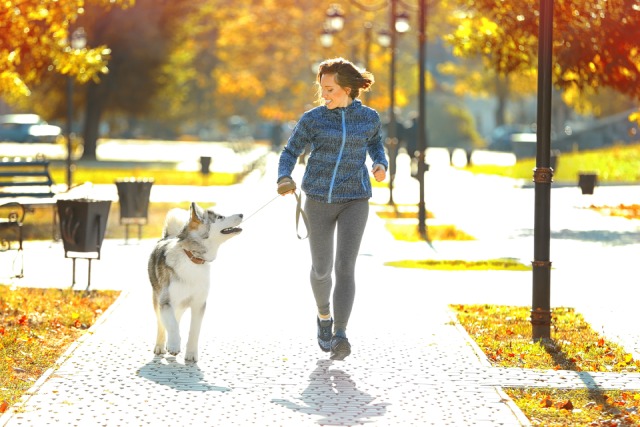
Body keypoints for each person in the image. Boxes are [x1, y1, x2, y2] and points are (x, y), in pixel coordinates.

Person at [276, 57, 388, 361]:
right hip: (319, 200)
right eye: (322, 89)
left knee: (345, 267)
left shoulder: (369, 118)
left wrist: (380, 163)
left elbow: (376, 145)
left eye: (330, 89)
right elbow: (289, 151)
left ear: (348, 89)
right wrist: (284, 177)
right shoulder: (313, 119)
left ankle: (340, 334)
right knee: (322, 269)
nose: (324, 95)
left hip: (355, 199)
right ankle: (323, 316)